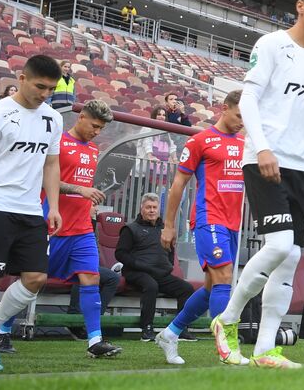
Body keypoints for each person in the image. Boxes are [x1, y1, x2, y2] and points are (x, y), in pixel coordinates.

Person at [210, 0, 304, 369]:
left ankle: (266, 349)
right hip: (265, 160)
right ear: (300, 7)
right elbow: (248, 97)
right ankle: (227, 320)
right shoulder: (270, 45)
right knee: (279, 245)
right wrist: (261, 147)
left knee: (291, 257)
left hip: (301, 167)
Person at [0, 54, 63, 374]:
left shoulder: (53, 118)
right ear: (21, 78)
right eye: (40, 86)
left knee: (36, 279)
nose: (45, 94)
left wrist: (54, 206)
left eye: (51, 89)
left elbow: (51, 163)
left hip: (31, 210)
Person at [154, 91, 246, 365]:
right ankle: (227, 348)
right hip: (208, 218)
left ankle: (170, 333)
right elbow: (178, 185)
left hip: (232, 224)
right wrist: (169, 225)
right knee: (225, 277)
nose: (243, 122)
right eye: (240, 115)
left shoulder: (244, 144)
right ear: (224, 108)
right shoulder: (200, 141)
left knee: (211, 286)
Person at [46, 100, 122, 358]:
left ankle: (94, 340)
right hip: (52, 225)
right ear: (81, 117)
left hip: (81, 229)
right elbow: (48, 179)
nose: (97, 132)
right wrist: (80, 190)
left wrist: (86, 204)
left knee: (92, 277)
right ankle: (1, 331)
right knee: (32, 280)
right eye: (94, 125)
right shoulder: (58, 143)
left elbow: (83, 186)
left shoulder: (92, 149)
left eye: (101, 128)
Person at [116, 193, 194, 341]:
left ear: (159, 209)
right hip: (137, 273)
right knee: (151, 286)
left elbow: (171, 250)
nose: (151, 210)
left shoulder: (165, 229)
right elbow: (120, 254)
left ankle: (180, 329)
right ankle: (147, 329)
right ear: (142, 209)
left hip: (161, 274)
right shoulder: (130, 229)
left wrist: (169, 266)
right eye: (148, 207)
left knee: (186, 289)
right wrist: (140, 265)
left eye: (154, 207)